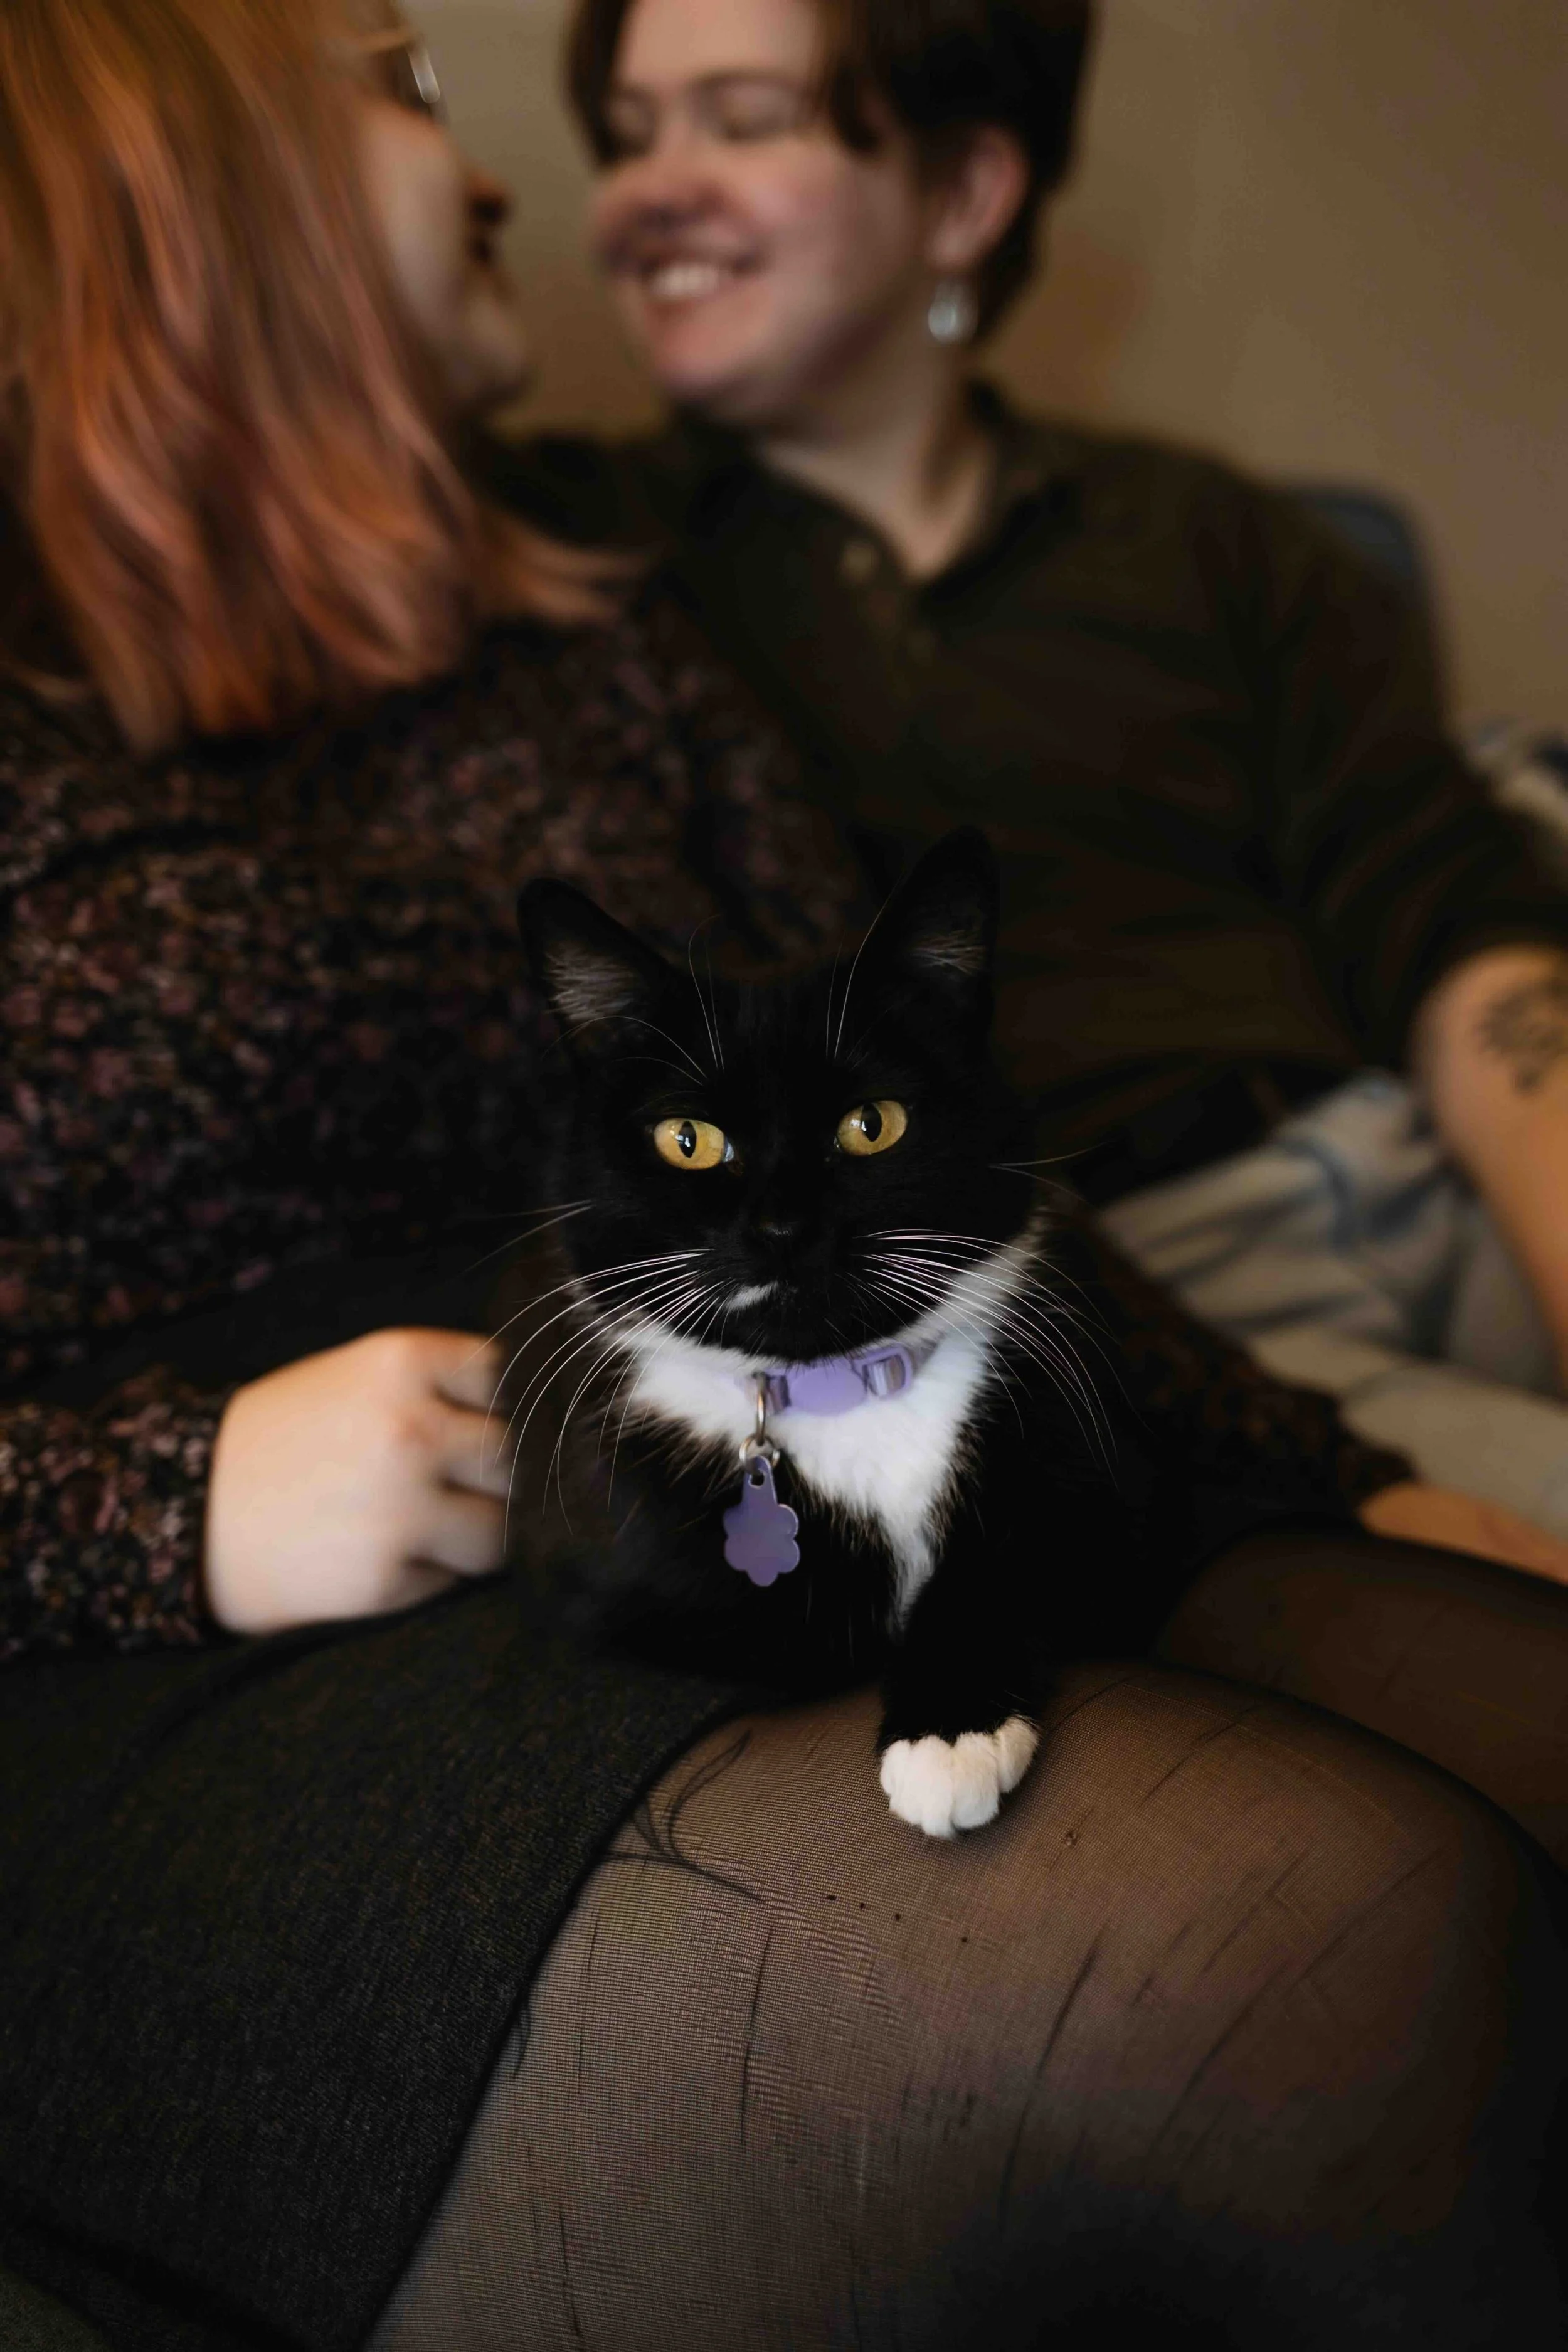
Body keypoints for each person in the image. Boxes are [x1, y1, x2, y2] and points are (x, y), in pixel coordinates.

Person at [3, 4, 1568, 2348]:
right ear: (181, 172)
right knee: (1318, 1954)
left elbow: (921, 1114)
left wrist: (1321, 1471)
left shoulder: (594, 643)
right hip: (233, 1658)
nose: (524, 175)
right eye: (407, 88)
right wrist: (159, 1500)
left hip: (817, 1430)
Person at [489, 0, 1568, 1548]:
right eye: (627, 132)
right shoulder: (571, 565)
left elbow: (1449, 917)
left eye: (738, 117)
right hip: (1135, 1266)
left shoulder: (1210, 534)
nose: (643, 190)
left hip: (1437, 1154)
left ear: (961, 197)